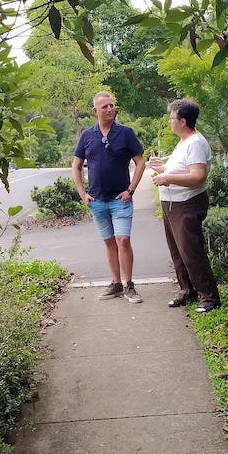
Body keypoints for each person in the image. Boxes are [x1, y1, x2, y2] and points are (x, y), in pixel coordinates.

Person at [72, 91, 146, 303]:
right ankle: (115, 284)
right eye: (104, 107)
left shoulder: (126, 133)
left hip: (120, 200)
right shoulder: (87, 136)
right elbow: (76, 166)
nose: (110, 109)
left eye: (112, 105)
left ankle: (129, 285)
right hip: (97, 201)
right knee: (109, 243)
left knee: (123, 240)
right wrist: (82, 194)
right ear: (95, 111)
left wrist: (131, 190)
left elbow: (140, 162)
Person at [148, 98, 220, 314]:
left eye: (172, 118)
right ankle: (187, 291)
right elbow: (182, 170)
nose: (170, 121)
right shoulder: (184, 141)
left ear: (183, 121)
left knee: (191, 251)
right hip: (173, 204)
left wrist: (167, 177)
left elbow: (198, 176)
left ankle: (210, 298)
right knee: (178, 251)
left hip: (187, 204)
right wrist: (163, 169)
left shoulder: (196, 143)